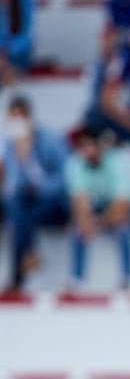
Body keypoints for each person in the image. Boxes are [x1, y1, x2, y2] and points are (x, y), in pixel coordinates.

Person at [65, 125, 130, 292]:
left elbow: (122, 204)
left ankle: (128, 278)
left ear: (100, 147)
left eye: (92, 146)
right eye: (85, 147)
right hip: (101, 208)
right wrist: (86, 220)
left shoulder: (117, 162)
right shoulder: (75, 164)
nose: (89, 151)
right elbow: (79, 202)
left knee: (123, 227)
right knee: (79, 229)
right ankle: (77, 280)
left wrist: (98, 222)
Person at [2, 95, 69, 293]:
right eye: (12, 118)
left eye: (20, 117)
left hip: (53, 201)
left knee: (20, 214)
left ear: (29, 117)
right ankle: (30, 255)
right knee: (18, 209)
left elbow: (63, 178)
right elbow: (12, 185)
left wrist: (37, 179)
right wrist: (20, 156)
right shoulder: (9, 144)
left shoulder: (51, 139)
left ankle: (17, 277)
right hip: (25, 202)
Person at [0, 0, 35, 86]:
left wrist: (6, 53)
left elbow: (25, 36)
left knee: (8, 73)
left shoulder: (24, 1)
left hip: (17, 57)